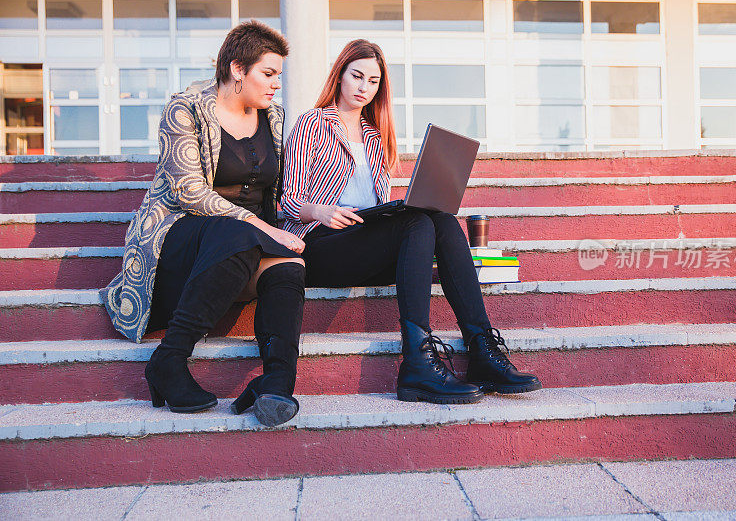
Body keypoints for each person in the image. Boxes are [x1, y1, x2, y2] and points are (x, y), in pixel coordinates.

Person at [282, 39, 541, 404]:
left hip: (363, 239)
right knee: (417, 224)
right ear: (339, 75)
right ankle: (418, 362)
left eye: (373, 81)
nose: (363, 87)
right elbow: (287, 201)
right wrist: (321, 210)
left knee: (441, 219)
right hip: (322, 242)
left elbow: (376, 202)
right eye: (356, 76)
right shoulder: (313, 122)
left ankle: (481, 347)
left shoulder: (375, 136)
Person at [102, 21, 306, 427]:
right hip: (179, 239)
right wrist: (261, 228)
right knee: (241, 232)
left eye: (278, 76)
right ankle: (168, 361)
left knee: (289, 266)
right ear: (236, 69)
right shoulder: (185, 109)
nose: (275, 85)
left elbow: (282, 191)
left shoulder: (274, 119)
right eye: (267, 74)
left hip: (239, 249)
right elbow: (188, 192)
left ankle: (277, 384)